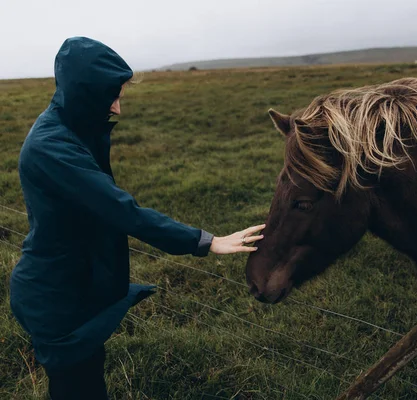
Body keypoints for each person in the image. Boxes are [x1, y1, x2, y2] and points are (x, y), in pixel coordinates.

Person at [9, 36, 264, 400]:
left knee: (86, 381)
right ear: (84, 93)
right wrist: (205, 241)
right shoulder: (52, 148)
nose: (117, 108)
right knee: (78, 388)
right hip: (56, 299)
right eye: (110, 96)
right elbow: (121, 211)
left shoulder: (70, 126)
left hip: (73, 288)